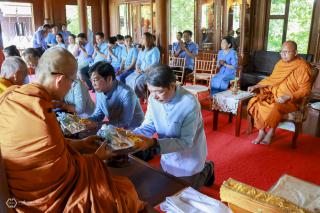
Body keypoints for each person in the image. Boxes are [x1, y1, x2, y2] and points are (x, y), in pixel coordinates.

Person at [0, 47, 144, 212]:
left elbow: (50, 149)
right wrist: (96, 158)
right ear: (59, 80)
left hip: (17, 189)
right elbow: (63, 176)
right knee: (125, 191)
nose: (72, 86)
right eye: (72, 81)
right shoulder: (40, 113)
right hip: (41, 199)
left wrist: (80, 144)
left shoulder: (11, 96)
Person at [133, 64, 214, 189]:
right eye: (151, 91)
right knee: (168, 188)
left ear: (172, 85)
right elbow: (149, 125)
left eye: (159, 91)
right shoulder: (153, 98)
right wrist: (132, 135)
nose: (153, 96)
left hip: (189, 156)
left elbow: (185, 142)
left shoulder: (189, 103)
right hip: (166, 152)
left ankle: (207, 168)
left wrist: (154, 144)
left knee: (187, 194)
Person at [247, 41, 312, 145]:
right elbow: (272, 79)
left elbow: (305, 90)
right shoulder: (280, 64)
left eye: (287, 52)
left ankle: (271, 132)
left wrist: (289, 96)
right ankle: (261, 132)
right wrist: (256, 86)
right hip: (274, 93)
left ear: (295, 53)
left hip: (290, 100)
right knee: (256, 101)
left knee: (275, 107)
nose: (283, 54)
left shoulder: (303, 67)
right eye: (281, 52)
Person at [86, 61, 144, 130]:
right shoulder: (99, 89)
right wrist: (86, 121)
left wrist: (98, 125)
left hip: (133, 130)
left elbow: (124, 122)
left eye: (95, 80)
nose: (93, 84)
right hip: (115, 125)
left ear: (109, 79)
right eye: (91, 80)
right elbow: (99, 114)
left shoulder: (127, 93)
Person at [126, 32, 160, 99]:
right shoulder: (142, 50)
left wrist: (143, 71)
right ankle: (132, 96)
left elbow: (155, 63)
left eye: (143, 38)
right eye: (142, 38)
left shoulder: (155, 50)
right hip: (140, 71)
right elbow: (138, 61)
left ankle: (139, 97)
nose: (142, 39)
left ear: (148, 39)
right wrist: (137, 68)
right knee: (128, 78)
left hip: (150, 72)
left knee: (138, 82)